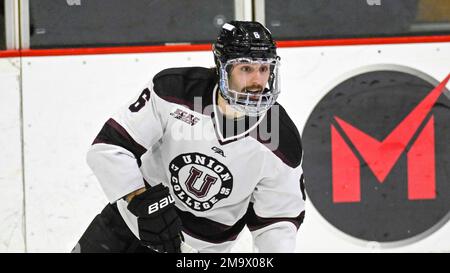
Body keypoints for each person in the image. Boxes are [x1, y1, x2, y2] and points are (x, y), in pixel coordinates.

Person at [73, 21, 305, 253]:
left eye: (264, 69)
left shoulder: (281, 141)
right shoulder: (174, 91)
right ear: (222, 67)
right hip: (125, 228)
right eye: (246, 68)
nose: (257, 82)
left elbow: (277, 223)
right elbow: (109, 147)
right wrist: (139, 200)